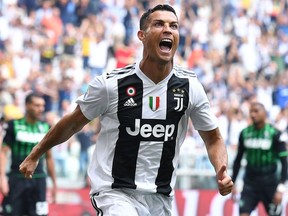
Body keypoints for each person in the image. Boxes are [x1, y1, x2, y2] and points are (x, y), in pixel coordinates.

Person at [19, 4, 233, 216]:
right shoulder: (112, 85)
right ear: (142, 35)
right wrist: (36, 153)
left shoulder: (190, 87)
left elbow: (213, 137)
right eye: (159, 24)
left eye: (173, 26)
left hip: (160, 198)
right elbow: (73, 122)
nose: (168, 30)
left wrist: (220, 169)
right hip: (114, 193)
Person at [0, 92, 57, 216]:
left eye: (42, 106)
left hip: (39, 181)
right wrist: (2, 178)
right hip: (16, 179)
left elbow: (49, 158)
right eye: (37, 105)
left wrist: (54, 184)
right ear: (27, 105)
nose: (40, 109)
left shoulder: (47, 127)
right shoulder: (13, 125)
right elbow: (3, 153)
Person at [231, 102, 288, 216]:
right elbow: (238, 160)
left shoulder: (275, 134)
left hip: (270, 183)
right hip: (250, 183)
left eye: (256, 111)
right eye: (251, 111)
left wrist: (281, 189)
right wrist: (233, 182)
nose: (253, 114)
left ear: (264, 113)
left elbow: (284, 162)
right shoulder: (244, 133)